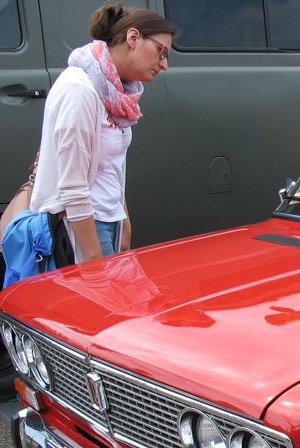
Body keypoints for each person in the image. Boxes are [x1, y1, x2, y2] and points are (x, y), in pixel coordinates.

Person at [28, 3, 175, 263]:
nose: (164, 65)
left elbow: (112, 167)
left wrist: (124, 222)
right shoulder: (80, 89)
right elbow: (73, 187)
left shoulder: (117, 94)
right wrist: (94, 258)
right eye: (161, 51)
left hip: (108, 221)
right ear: (133, 37)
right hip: (83, 228)